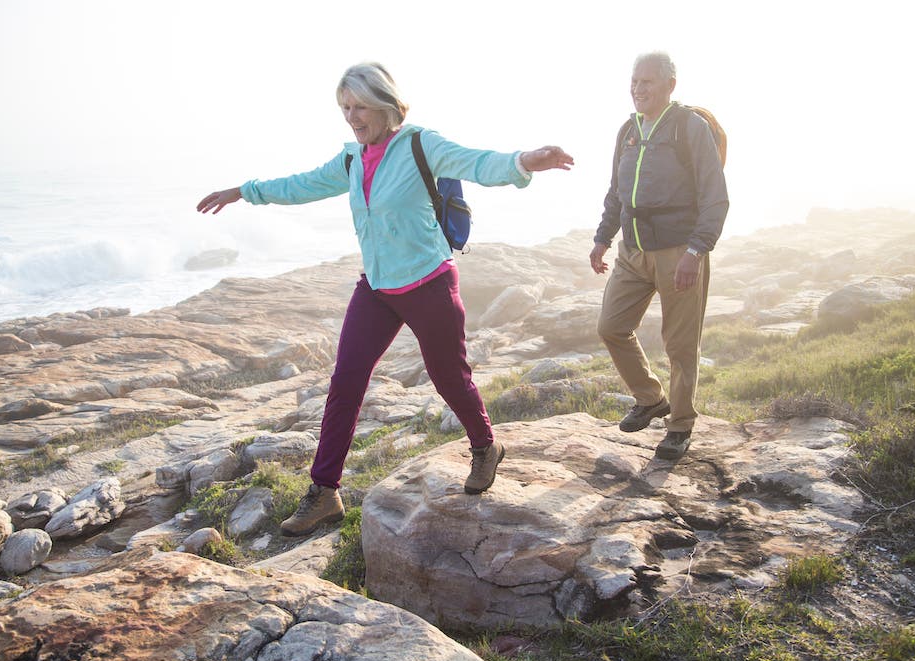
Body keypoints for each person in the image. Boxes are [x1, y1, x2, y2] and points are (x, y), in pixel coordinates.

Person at [198, 62, 574, 537]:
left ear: (384, 104)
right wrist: (243, 191)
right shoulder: (352, 159)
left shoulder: (420, 143)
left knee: (448, 376)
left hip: (428, 282)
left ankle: (484, 445)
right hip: (377, 287)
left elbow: (476, 162)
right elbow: (302, 185)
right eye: (344, 108)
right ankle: (324, 491)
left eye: (359, 107)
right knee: (346, 379)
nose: (352, 117)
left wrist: (524, 161)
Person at [589, 51, 728, 461]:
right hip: (632, 251)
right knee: (611, 326)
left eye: (647, 81)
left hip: (678, 251)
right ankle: (650, 398)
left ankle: (680, 424)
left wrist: (696, 250)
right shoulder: (627, 131)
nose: (638, 88)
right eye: (634, 80)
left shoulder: (690, 128)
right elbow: (617, 191)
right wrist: (602, 238)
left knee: (680, 345)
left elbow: (715, 196)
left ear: (670, 85)